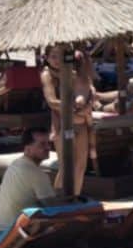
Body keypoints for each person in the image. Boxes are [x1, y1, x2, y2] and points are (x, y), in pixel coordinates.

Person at [40, 47, 97, 193]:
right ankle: (58, 200)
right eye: (53, 56)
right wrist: (75, 110)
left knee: (80, 166)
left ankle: (75, 198)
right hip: (62, 124)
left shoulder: (72, 74)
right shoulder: (47, 75)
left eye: (59, 55)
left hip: (80, 123)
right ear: (46, 58)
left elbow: (88, 94)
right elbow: (52, 101)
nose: (56, 60)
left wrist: (86, 107)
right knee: (66, 166)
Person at [0, 127, 57, 230]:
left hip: (3, 228)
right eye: (42, 144)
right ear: (27, 148)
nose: (47, 147)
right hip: (20, 232)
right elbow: (54, 208)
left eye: (48, 143)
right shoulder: (36, 173)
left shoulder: (16, 164)